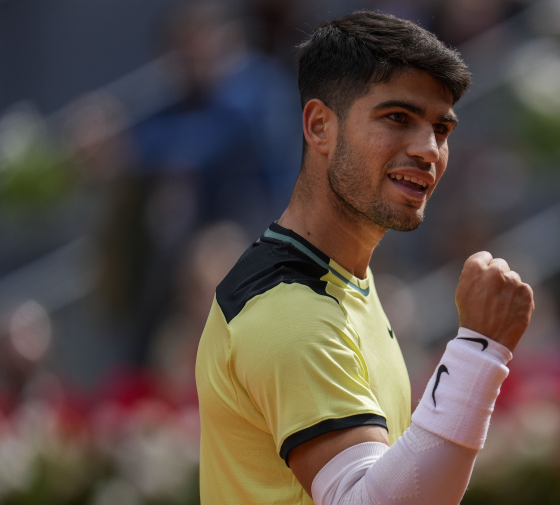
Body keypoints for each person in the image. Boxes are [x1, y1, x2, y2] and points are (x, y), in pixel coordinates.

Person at [195, 11, 535, 505]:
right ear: (319, 127)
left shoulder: (339, 279)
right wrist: (478, 351)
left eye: (441, 129)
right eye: (398, 118)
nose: (428, 150)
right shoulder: (288, 311)